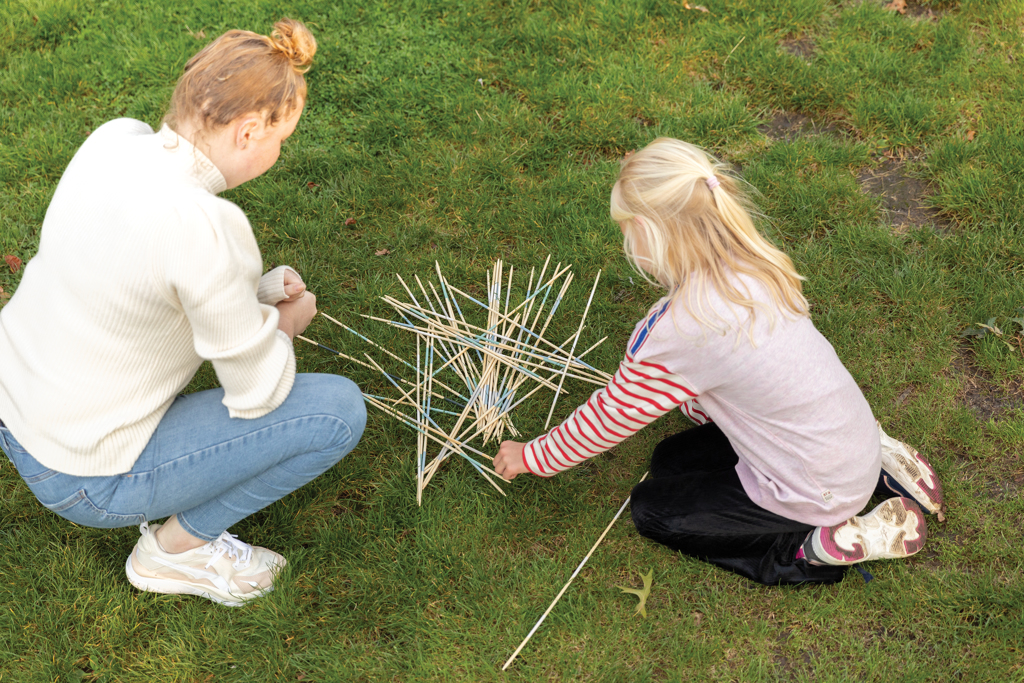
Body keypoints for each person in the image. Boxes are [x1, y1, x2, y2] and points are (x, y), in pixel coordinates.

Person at [0, 19, 366, 606]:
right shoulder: (207, 230)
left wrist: (253, 295)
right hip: (83, 474)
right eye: (282, 139)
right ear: (250, 131)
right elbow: (258, 392)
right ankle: (176, 553)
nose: (280, 151)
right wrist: (286, 325)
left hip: (16, 405)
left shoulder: (114, 141)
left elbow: (134, 279)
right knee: (338, 412)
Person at [493, 138, 943, 585]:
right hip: (845, 439)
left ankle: (816, 546)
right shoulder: (755, 265)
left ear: (651, 234)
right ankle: (877, 466)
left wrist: (535, 455)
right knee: (670, 458)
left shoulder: (681, 330)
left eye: (625, 229)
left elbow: (613, 414)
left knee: (654, 510)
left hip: (817, 487)